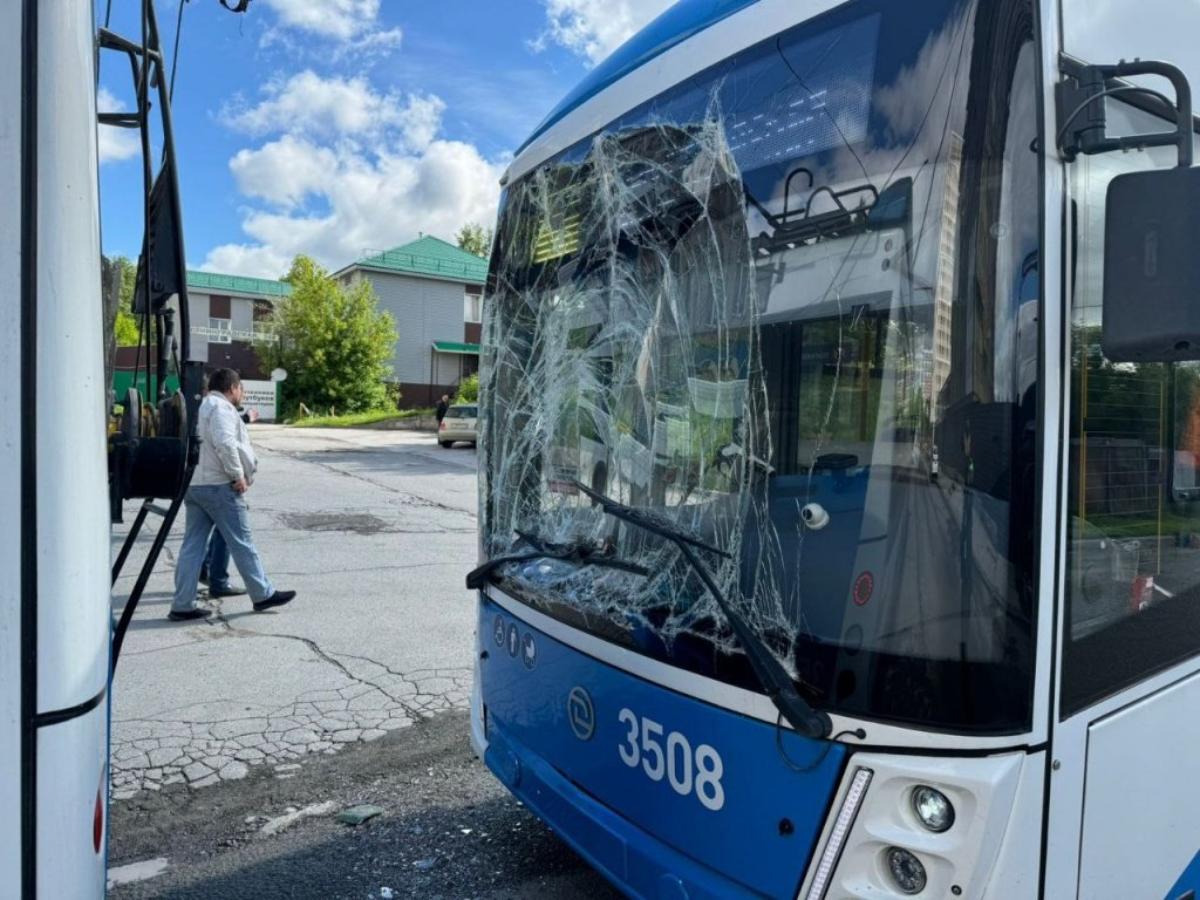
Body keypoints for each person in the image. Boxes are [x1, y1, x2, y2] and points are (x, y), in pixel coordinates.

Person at [169, 368, 295, 621]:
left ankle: (182, 603)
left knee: (192, 545)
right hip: (218, 485)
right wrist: (238, 475)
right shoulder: (221, 408)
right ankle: (262, 594)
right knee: (241, 541)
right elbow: (225, 443)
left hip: (194, 485)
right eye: (241, 389)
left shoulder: (201, 405)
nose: (242, 394)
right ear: (233, 387)